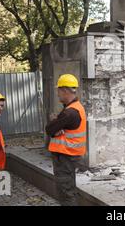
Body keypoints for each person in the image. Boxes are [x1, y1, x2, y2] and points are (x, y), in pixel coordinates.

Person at [45, 74, 87, 206]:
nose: (57, 94)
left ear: (64, 90)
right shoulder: (76, 108)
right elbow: (54, 129)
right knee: (69, 190)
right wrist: (57, 124)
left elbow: (49, 129)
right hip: (69, 156)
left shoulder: (69, 113)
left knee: (66, 193)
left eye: (58, 90)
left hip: (64, 157)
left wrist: (54, 122)